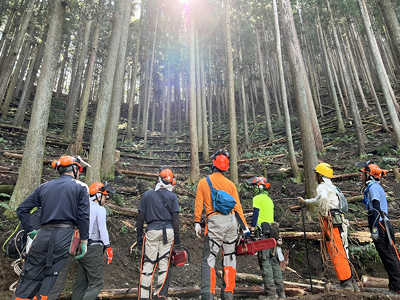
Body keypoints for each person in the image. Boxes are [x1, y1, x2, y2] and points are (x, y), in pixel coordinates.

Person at [13, 155, 90, 300]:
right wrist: (84, 240)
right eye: (79, 170)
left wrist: (31, 230)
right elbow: (84, 216)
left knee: (30, 277)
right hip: (65, 236)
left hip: (43, 234)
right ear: (74, 169)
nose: (79, 173)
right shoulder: (80, 187)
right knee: (53, 278)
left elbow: (22, 209)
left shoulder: (43, 187)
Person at [194, 149, 249, 300]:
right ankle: (228, 294)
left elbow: (199, 205)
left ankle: (208, 295)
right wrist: (244, 227)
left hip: (215, 222)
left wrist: (197, 222)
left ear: (213, 164)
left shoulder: (204, 182)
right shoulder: (231, 184)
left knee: (210, 258)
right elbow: (237, 207)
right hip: (231, 222)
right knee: (230, 257)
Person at [298, 163, 359, 292]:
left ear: (320, 175)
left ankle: (345, 283)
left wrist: (325, 214)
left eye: (316, 173)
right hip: (339, 220)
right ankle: (352, 282)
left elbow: (323, 200)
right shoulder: (332, 187)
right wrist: (305, 201)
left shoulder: (321, 187)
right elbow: (319, 198)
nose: (315, 176)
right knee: (343, 248)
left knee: (336, 249)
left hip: (332, 221)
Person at [137, 166, 182, 300]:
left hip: (152, 231)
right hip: (168, 232)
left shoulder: (147, 195)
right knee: (164, 264)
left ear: (158, 178)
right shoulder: (173, 196)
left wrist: (139, 237)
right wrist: (178, 239)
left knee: (148, 264)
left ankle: (145, 296)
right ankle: (160, 295)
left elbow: (140, 218)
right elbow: (176, 219)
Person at [357, 160, 400, 294]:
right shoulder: (372, 187)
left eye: (363, 174)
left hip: (381, 224)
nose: (360, 176)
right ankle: (394, 285)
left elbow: (376, 208)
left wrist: (375, 227)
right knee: (386, 255)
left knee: (389, 255)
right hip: (379, 223)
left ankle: (398, 286)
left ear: (369, 175)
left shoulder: (374, 188)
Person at [71, 181, 115, 300]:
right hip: (93, 248)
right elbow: (102, 230)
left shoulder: (81, 206)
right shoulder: (99, 209)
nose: (106, 199)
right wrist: (108, 247)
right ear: (98, 196)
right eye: (105, 196)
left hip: (81, 247)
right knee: (97, 284)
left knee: (81, 284)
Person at [246, 176, 285, 299]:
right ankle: (281, 293)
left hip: (262, 233)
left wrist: (252, 230)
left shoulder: (257, 198)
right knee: (275, 262)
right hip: (273, 232)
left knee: (265, 262)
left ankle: (271, 294)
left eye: (255, 186)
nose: (253, 189)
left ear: (259, 186)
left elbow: (256, 214)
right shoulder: (269, 199)